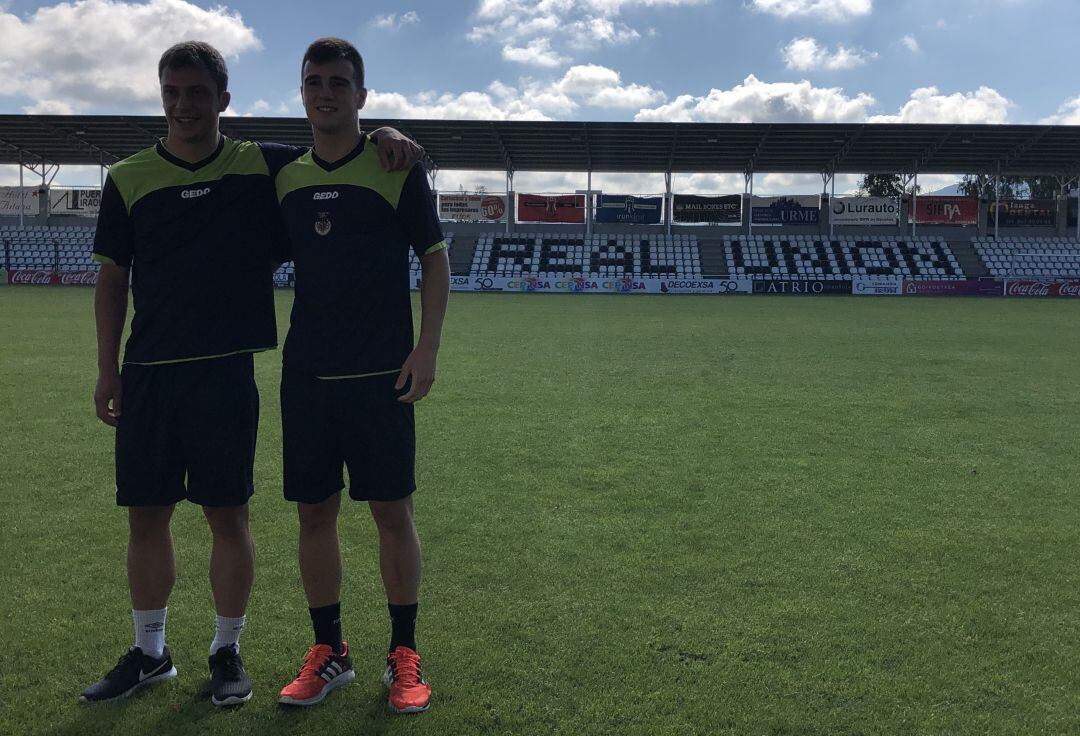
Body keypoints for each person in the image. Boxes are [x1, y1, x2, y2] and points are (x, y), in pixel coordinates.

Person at [82, 40, 421, 706]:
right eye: (172, 93)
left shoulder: (259, 165)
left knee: (228, 518)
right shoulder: (126, 177)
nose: (184, 106)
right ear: (161, 98)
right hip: (147, 370)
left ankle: (225, 651)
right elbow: (112, 278)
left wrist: (386, 130)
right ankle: (150, 653)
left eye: (198, 94)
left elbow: (336, 142)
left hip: (226, 372)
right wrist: (106, 367)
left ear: (223, 102)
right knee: (144, 519)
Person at [274, 38, 449, 715]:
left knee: (390, 511)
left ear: (361, 95)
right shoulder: (282, 177)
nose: (326, 92)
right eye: (314, 81)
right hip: (308, 375)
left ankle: (404, 655)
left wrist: (426, 350)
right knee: (312, 513)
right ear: (302, 91)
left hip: (384, 373)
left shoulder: (396, 169)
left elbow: (434, 261)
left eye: (339, 82)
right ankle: (330, 653)